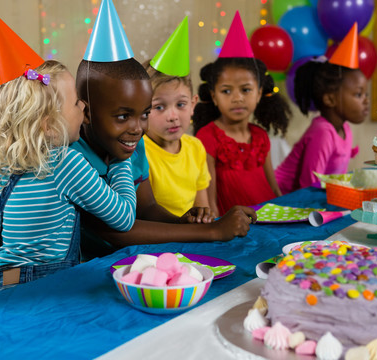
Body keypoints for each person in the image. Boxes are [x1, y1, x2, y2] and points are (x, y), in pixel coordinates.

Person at [72, 2, 255, 258]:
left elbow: (147, 206)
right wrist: (212, 231)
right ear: (87, 113)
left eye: (144, 114)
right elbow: (117, 232)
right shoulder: (73, 158)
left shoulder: (131, 144)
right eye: (123, 115)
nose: (137, 128)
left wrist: (182, 221)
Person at [0, 10, 137, 292]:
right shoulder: (64, 163)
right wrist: (122, 162)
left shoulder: (3, 164)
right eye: (77, 103)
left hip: (5, 283)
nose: (84, 108)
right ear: (49, 124)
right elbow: (123, 218)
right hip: (49, 286)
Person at [192, 12, 291, 217]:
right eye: (226, 91)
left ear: (259, 93)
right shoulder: (206, 137)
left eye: (245, 90)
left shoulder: (261, 136)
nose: (237, 98)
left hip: (267, 221)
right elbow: (209, 200)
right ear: (214, 96)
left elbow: (273, 190)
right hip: (234, 228)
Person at [275, 25, 367, 194]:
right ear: (330, 99)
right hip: (278, 197)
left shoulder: (345, 128)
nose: (366, 101)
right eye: (359, 94)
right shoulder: (323, 132)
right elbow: (308, 184)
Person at [142, 17, 212, 217]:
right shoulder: (140, 154)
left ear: (193, 104)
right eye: (159, 107)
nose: (172, 116)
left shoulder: (196, 148)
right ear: (143, 110)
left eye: (180, 104)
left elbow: (204, 210)